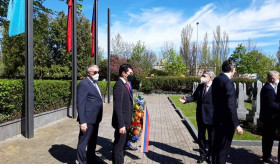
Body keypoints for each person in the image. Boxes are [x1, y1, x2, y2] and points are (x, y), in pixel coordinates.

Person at [180, 69, 215, 164]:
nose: (202, 77)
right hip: (200, 116)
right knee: (201, 137)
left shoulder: (216, 88)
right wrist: (186, 99)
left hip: (212, 117)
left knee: (212, 138)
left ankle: (211, 156)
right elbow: (194, 97)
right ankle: (202, 155)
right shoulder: (200, 86)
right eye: (202, 76)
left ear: (210, 77)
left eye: (204, 76)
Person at [211, 59, 243, 164]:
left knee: (216, 148)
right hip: (226, 122)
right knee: (223, 150)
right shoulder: (228, 82)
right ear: (232, 69)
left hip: (216, 118)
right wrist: (236, 125)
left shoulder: (216, 80)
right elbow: (231, 106)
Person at [76, 64, 103, 164]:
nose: (97, 74)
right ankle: (82, 162)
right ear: (88, 73)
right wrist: (83, 121)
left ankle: (91, 159)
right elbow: (80, 103)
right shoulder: (84, 84)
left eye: (98, 72)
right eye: (95, 72)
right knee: (83, 143)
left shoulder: (95, 83)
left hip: (96, 118)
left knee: (92, 142)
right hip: (87, 120)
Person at [112, 64, 134, 164]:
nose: (132, 74)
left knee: (121, 145)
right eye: (130, 73)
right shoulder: (119, 86)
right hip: (122, 123)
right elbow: (118, 107)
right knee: (119, 147)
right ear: (123, 73)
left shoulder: (126, 84)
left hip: (126, 121)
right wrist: (121, 125)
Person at [260, 71, 280, 163]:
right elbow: (271, 104)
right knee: (268, 138)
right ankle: (267, 156)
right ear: (272, 79)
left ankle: (267, 154)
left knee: (268, 137)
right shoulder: (268, 88)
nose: (278, 79)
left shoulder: (269, 87)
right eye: (278, 77)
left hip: (269, 117)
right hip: (269, 118)